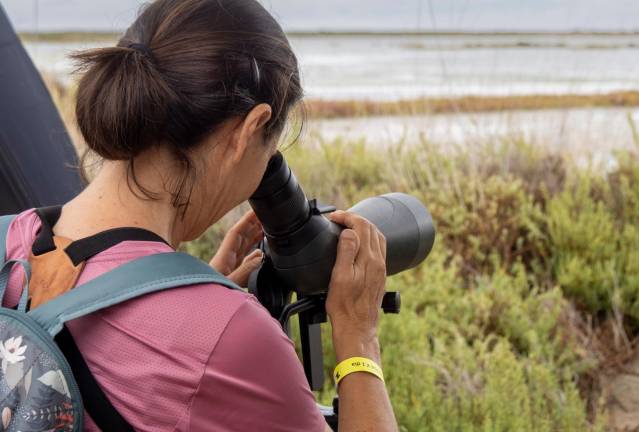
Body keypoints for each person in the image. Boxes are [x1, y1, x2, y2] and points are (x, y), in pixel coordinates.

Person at [1, 0, 397, 430]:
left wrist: (185, 292)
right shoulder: (228, 337)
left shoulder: (8, 239)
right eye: (269, 152)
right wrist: (359, 340)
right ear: (248, 130)